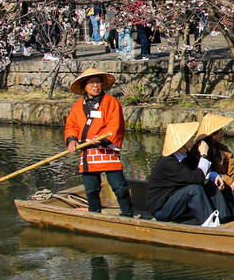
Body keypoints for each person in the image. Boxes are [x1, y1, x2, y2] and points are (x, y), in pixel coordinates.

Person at [64, 68, 135, 217]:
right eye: (92, 83)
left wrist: (101, 139)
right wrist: (71, 140)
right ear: (85, 86)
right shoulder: (78, 106)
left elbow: (115, 125)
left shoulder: (111, 102)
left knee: (119, 187)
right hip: (87, 151)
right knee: (91, 189)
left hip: (107, 149)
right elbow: (71, 125)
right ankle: (94, 215)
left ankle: (127, 214)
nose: (96, 86)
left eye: (98, 82)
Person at [146, 121, 220, 226]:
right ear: (182, 142)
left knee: (211, 184)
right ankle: (210, 226)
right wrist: (203, 155)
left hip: (177, 201)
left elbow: (198, 173)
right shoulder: (169, 162)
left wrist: (214, 176)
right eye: (190, 137)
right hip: (162, 209)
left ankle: (224, 218)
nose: (193, 138)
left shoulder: (185, 156)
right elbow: (197, 178)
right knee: (194, 190)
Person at [192, 112, 234, 223]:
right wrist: (230, 182)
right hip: (214, 187)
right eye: (220, 131)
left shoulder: (223, 148)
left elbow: (233, 168)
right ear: (213, 134)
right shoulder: (200, 151)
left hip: (228, 185)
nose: (223, 133)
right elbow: (208, 173)